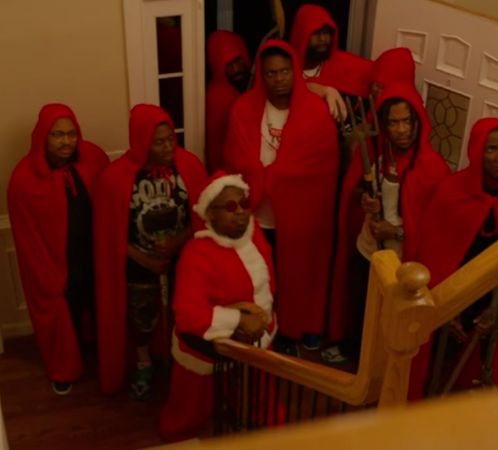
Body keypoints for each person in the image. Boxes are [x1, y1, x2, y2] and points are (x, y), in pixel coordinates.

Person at [408, 117, 498, 400]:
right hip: (456, 293)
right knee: (437, 360)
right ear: (476, 152)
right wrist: (450, 309)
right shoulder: (451, 192)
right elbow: (434, 252)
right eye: (491, 149)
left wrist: (496, 309)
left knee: (490, 360)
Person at [222, 40, 339, 353]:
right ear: (262, 74)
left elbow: (323, 168)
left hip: (302, 217)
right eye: (271, 73)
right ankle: (263, 330)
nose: (278, 78)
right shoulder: (243, 109)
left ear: (294, 72)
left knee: (300, 276)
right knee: (260, 279)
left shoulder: (316, 112)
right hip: (257, 216)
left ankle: (296, 329)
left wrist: (280, 175)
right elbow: (234, 161)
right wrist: (262, 177)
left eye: (284, 71)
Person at [325, 83, 450, 363]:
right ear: (384, 124)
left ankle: (382, 363)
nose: (402, 129)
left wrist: (397, 230)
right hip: (367, 247)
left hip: (401, 261)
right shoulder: (375, 153)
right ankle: (353, 354)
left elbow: (434, 225)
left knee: (389, 314)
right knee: (359, 306)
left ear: (418, 121)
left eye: (407, 121)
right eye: (394, 122)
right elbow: (358, 189)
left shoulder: (432, 166)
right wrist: (366, 201)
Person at [93, 104, 208, 399]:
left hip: (183, 260)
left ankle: (180, 361)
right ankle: (144, 362)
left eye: (171, 138)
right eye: (159, 141)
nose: (168, 146)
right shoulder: (115, 178)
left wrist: (178, 242)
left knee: (182, 314)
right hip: (138, 264)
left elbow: (202, 217)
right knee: (141, 319)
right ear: (142, 140)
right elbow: (109, 236)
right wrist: (146, 259)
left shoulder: (190, 165)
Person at [159, 172, 279, 442]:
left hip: (256, 343)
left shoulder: (256, 234)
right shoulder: (196, 254)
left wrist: (261, 320)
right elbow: (189, 315)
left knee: (261, 405)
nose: (240, 213)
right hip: (207, 351)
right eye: (229, 207)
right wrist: (237, 320)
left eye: (244, 204)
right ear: (210, 215)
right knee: (188, 416)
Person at [7, 103, 110, 395]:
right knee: (66, 318)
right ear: (43, 137)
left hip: (94, 256)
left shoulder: (93, 158)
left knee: (101, 307)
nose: (67, 141)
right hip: (58, 265)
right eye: (57, 135)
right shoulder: (23, 180)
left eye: (71, 133)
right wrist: (48, 275)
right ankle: (65, 369)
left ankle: (106, 359)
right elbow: (26, 238)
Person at [289, 4, 373, 121]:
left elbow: (385, 70)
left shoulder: (341, 61)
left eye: (327, 32)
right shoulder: (285, 64)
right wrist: (324, 90)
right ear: (302, 34)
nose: (323, 38)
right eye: (317, 33)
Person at [205, 30, 251, 174]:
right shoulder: (219, 97)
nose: (236, 69)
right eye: (229, 65)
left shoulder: (244, 87)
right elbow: (216, 148)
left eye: (238, 61)